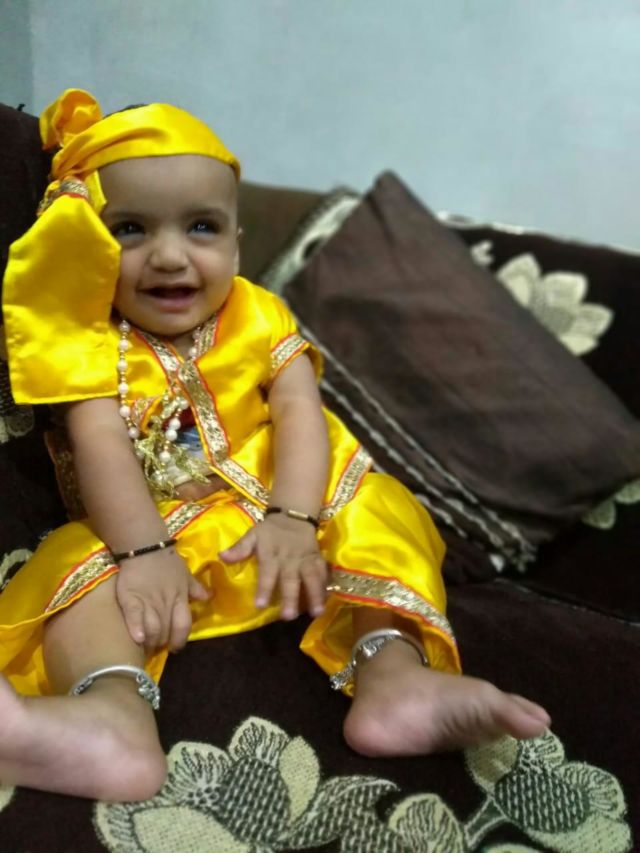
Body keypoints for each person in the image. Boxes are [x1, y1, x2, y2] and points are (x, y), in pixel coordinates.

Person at [0, 89, 550, 802]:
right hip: (159, 544)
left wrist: (294, 516)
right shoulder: (81, 339)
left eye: (201, 227)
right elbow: (97, 437)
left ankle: (396, 678)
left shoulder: (258, 313)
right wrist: (142, 551)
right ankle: (110, 721)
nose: (169, 256)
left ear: (236, 241)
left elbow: (299, 411)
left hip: (290, 532)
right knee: (79, 569)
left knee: (377, 506)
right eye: (130, 229)